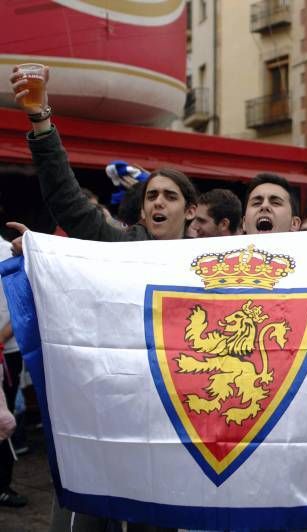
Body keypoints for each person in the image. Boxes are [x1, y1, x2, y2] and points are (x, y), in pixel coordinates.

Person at [11, 63, 197, 532]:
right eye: (152, 194)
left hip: (179, 429)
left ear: (189, 209)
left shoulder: (211, 265)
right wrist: (41, 120)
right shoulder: (122, 245)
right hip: (112, 419)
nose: (158, 203)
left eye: (170, 196)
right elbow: (68, 200)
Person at [0, 234, 25, 508]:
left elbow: (19, 304)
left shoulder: (9, 251)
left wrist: (1, 338)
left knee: (3, 423)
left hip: (6, 352)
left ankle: (2, 485)